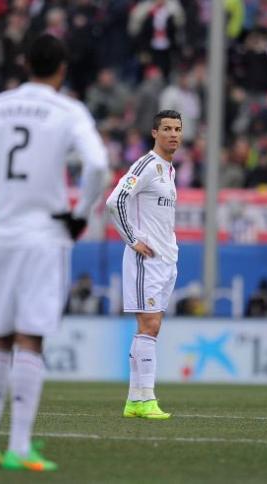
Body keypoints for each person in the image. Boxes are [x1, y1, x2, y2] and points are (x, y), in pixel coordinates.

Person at [0, 34, 108, 472]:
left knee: (0, 336)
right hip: (44, 235)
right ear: (62, 69)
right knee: (30, 339)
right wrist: (80, 213)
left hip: (3, 235)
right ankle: (18, 446)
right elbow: (96, 165)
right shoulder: (69, 110)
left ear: (24, 64)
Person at [105, 109, 183, 420]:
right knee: (148, 326)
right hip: (145, 259)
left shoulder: (169, 169)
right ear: (154, 133)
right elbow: (116, 200)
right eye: (166, 128)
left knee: (152, 328)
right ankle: (144, 398)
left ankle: (136, 401)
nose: (173, 134)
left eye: (177, 128)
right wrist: (132, 239)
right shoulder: (147, 165)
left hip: (165, 259)